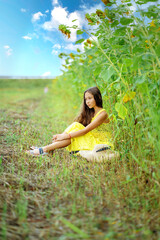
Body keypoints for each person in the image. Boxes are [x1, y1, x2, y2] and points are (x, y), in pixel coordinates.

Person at [27, 86, 114, 157]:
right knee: (76, 125)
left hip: (101, 143)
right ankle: (48, 149)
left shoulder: (103, 114)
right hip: (93, 139)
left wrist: (64, 136)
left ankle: (45, 149)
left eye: (90, 98)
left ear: (97, 97)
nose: (87, 102)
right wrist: (64, 136)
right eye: (86, 99)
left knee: (74, 133)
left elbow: (85, 131)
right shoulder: (92, 112)